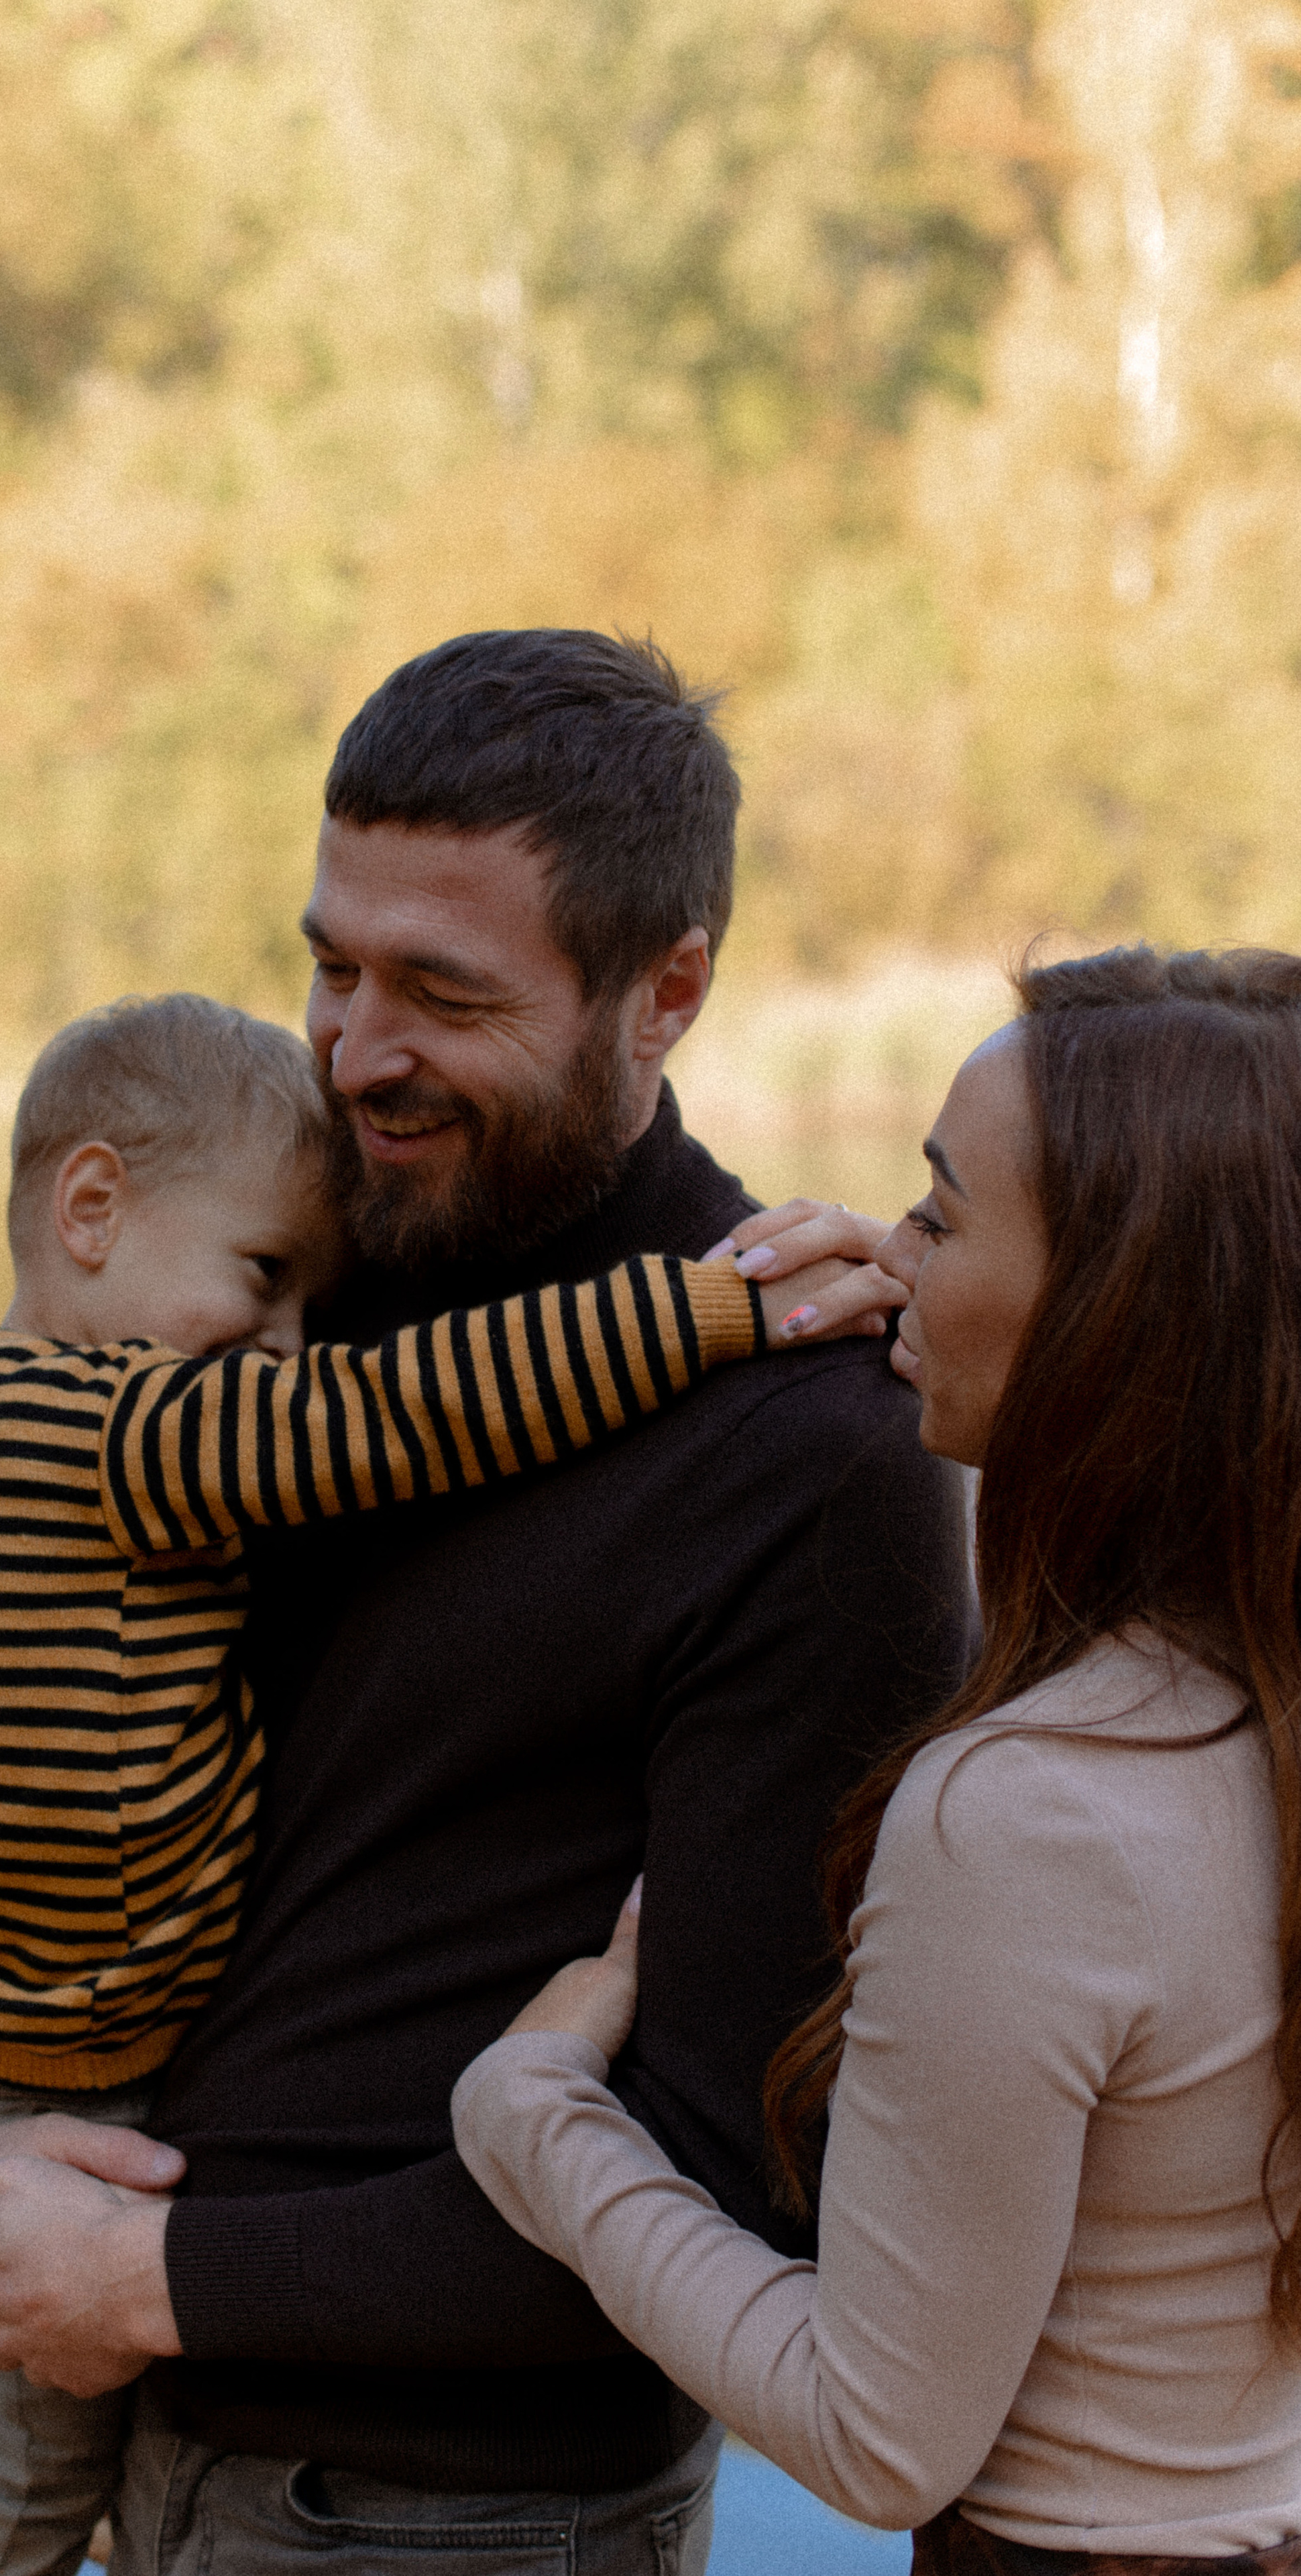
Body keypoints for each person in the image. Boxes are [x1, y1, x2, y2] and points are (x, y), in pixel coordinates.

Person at [0, 628, 972, 2576]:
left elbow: (742, 2186)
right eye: (331, 965)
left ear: (668, 991)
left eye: (443, 992)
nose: (357, 1051)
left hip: (456, 2516)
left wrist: (166, 2274)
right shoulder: (263, 1291)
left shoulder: (812, 1456)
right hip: (128, 2431)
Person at [0, 986, 804, 2576]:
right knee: (32, 2486)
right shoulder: (124, 1431)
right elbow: (404, 1414)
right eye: (264, 1278)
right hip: (78, 2084)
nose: (288, 1344)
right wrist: (707, 1315)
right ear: (91, 1208)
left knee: (39, 2469)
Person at [453, 943, 1301, 2575]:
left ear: (1113, 1315)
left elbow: (878, 2432)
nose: (885, 1249)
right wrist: (935, 1338)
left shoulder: (1030, 1815)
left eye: (934, 1210)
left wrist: (536, 2118)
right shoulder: (1245, 1703)